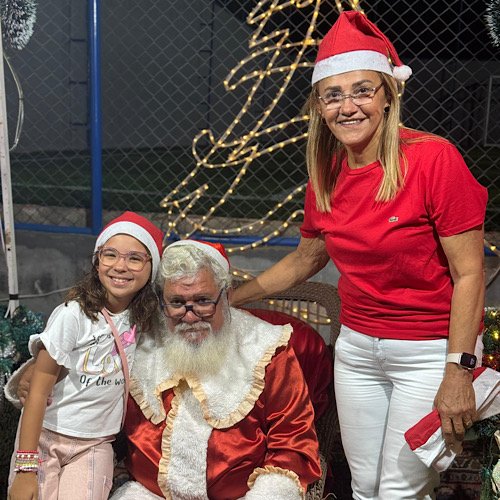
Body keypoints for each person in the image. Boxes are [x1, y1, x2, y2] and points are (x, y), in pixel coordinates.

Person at [231, 10, 488, 500]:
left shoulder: (433, 160)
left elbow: (470, 273)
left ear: (388, 95)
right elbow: (306, 258)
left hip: (427, 352)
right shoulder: (327, 171)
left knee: (400, 491)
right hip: (357, 350)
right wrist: (230, 298)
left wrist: (459, 370)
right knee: (365, 487)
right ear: (319, 106)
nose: (347, 107)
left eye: (362, 90)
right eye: (333, 94)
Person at [110, 239, 321, 499]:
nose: (189, 316)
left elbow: (292, 445)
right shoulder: (141, 343)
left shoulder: (267, 349)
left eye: (203, 301)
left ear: (227, 295)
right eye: (176, 302)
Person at [7, 211, 164, 500]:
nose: (120, 266)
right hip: (45, 437)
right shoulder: (73, 315)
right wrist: (26, 467)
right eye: (110, 255)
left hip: (94, 445)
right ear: (97, 261)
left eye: (135, 258)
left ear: (152, 268)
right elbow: (37, 391)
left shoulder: (147, 319)